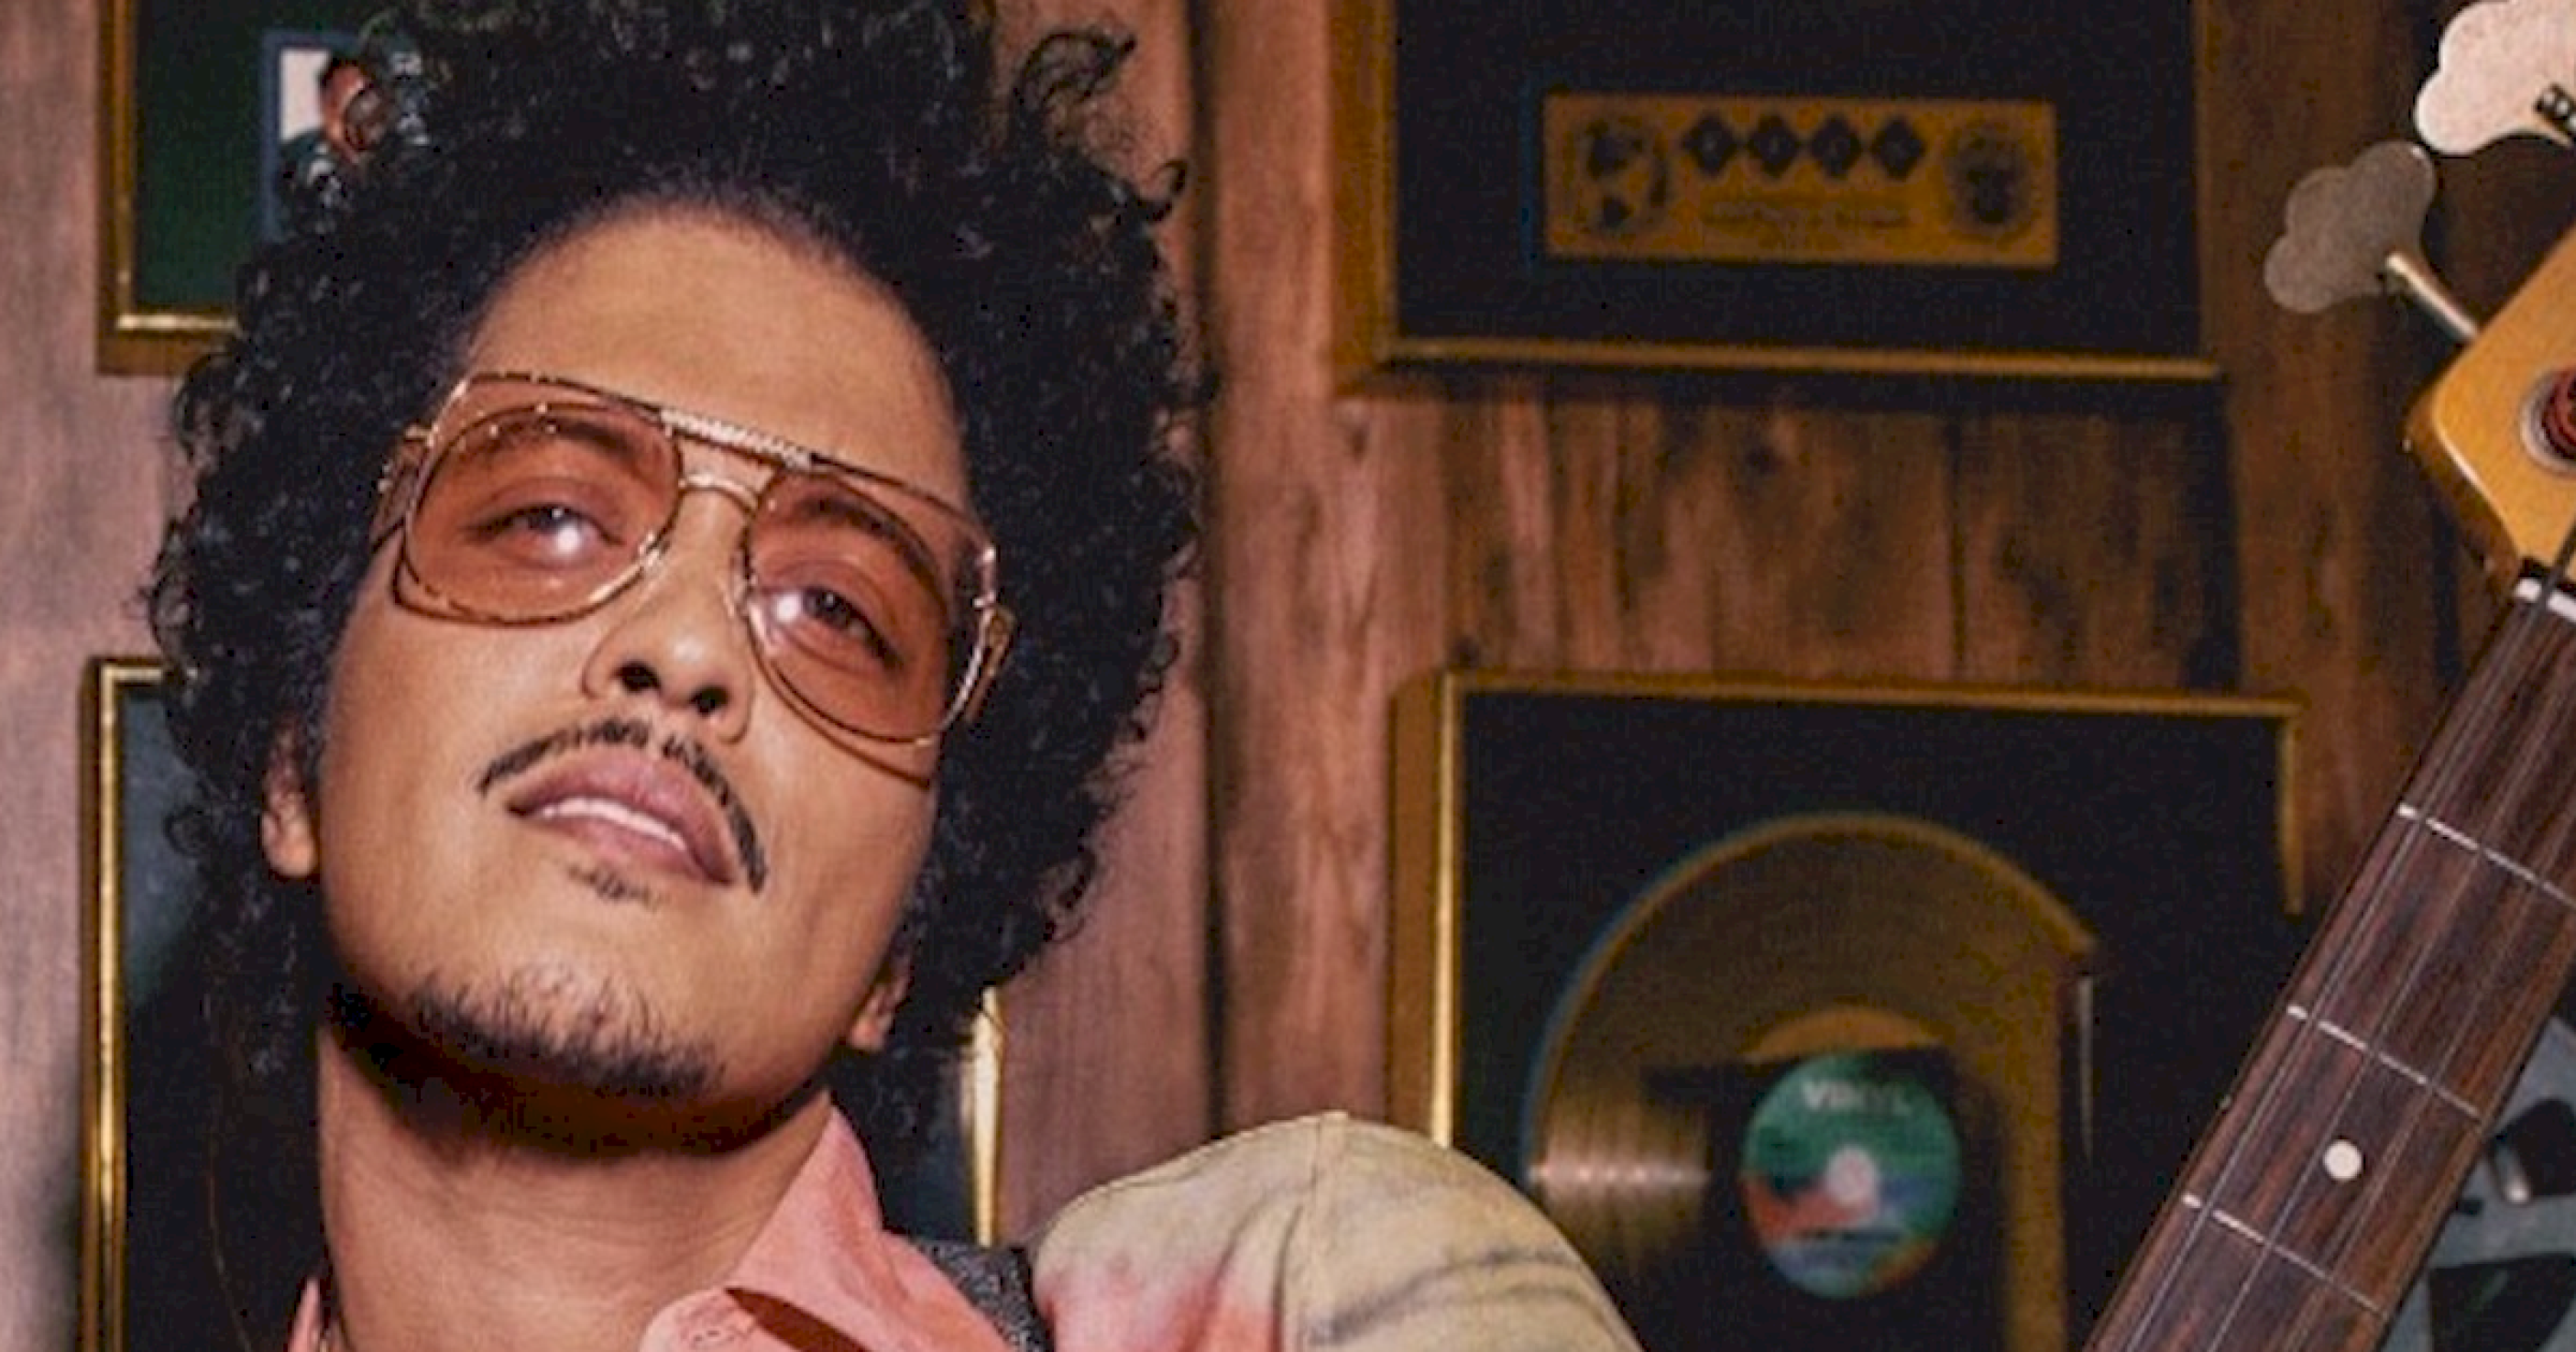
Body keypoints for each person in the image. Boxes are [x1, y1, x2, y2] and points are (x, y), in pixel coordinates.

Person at [145, 3, 1642, 1350]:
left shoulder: (1293, 1313)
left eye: (836, 611)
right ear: (292, 756)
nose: (683, 645)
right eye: (544, 515)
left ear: (900, 949)